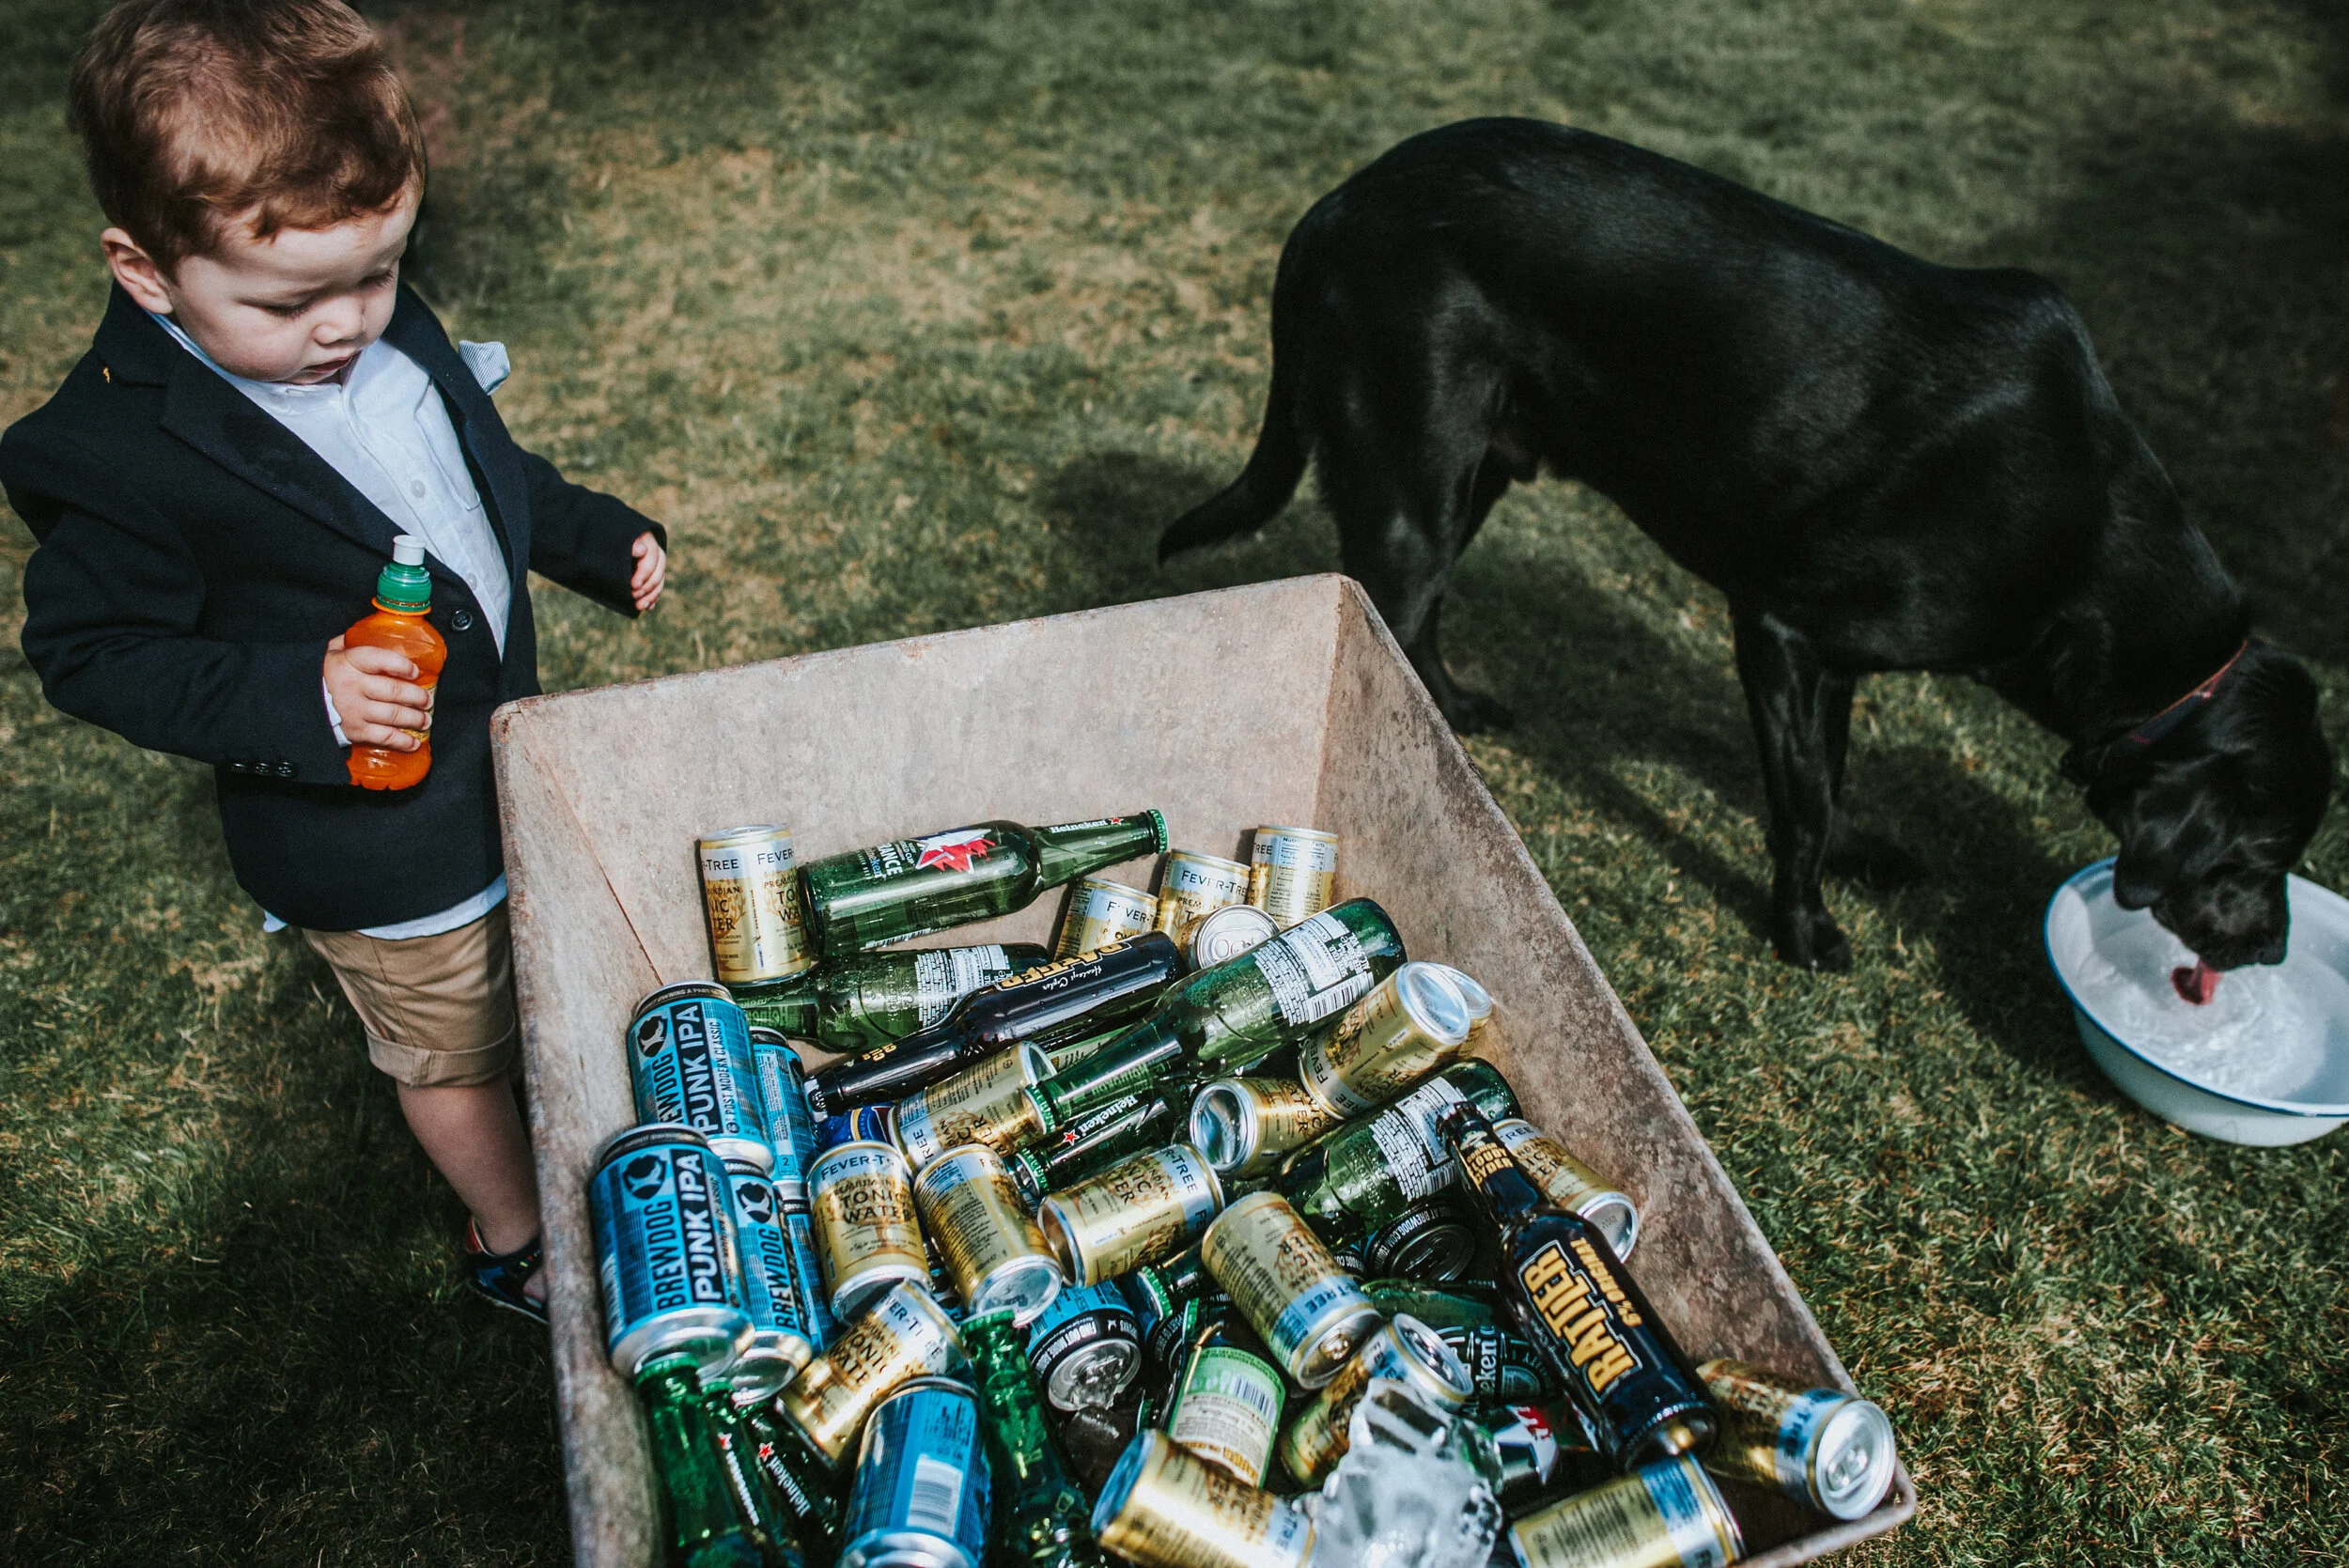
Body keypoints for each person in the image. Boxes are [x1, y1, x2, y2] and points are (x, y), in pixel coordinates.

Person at [0, 0, 669, 1322]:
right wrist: (302, 696)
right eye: (293, 297)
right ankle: (515, 1236)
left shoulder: (369, 315)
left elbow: (472, 473)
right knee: (452, 1047)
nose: (348, 322)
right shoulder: (118, 451)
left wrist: (589, 537)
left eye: (377, 273)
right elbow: (93, 655)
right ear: (146, 272)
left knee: (540, 971)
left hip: (498, 761)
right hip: (377, 845)